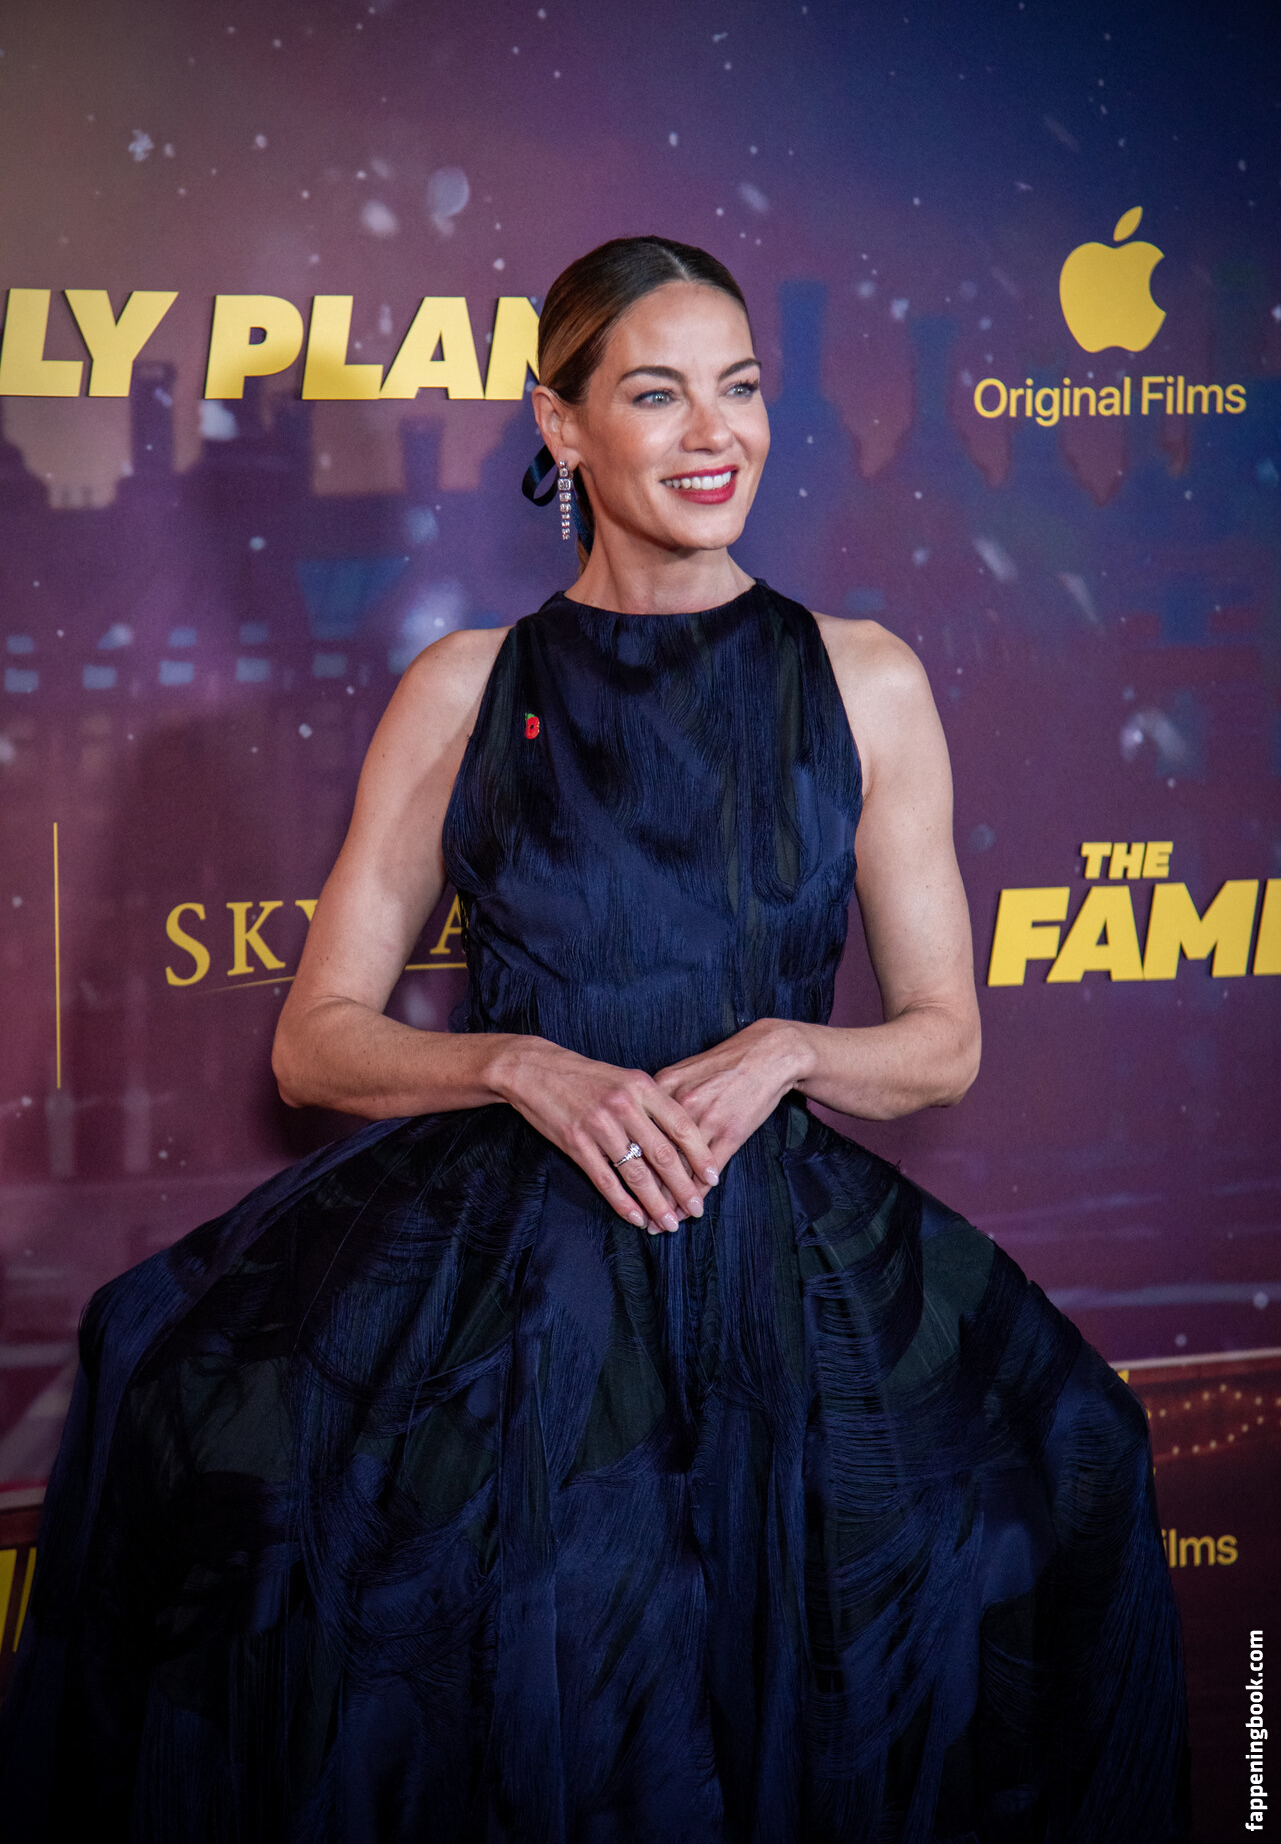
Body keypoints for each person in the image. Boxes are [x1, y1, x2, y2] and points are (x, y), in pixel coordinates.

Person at [0, 236, 1189, 1841]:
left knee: (1066, 1469)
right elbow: (314, 1045)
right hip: (511, 1273)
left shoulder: (865, 681)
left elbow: (941, 1044)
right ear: (559, 427)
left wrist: (789, 1048)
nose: (715, 433)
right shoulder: (464, 688)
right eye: (655, 393)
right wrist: (509, 1062)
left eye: (739, 389)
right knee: (446, 1593)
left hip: (778, 1261)